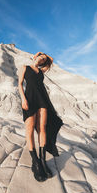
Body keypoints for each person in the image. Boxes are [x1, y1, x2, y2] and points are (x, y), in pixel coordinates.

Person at [18, 52, 64, 182]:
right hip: (29, 99)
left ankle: (43, 161)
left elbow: (51, 59)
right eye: (40, 57)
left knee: (42, 128)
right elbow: (20, 84)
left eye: (43, 59)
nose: (41, 59)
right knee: (30, 130)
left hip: (42, 100)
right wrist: (23, 99)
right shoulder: (24, 67)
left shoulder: (41, 71)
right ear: (35, 56)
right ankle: (35, 162)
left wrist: (46, 58)